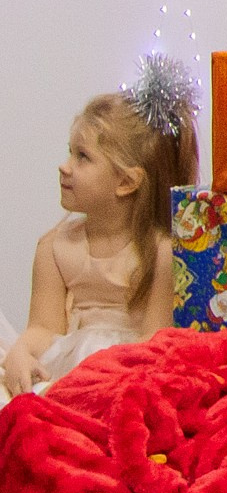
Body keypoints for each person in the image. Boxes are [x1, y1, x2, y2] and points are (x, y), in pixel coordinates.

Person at [2, 61, 199, 400]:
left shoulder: (161, 252)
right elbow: (44, 328)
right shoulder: (54, 246)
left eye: (82, 157)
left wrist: (102, 376)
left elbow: (154, 341)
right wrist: (20, 354)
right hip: (65, 365)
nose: (64, 167)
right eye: (70, 152)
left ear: (126, 181)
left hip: (126, 372)